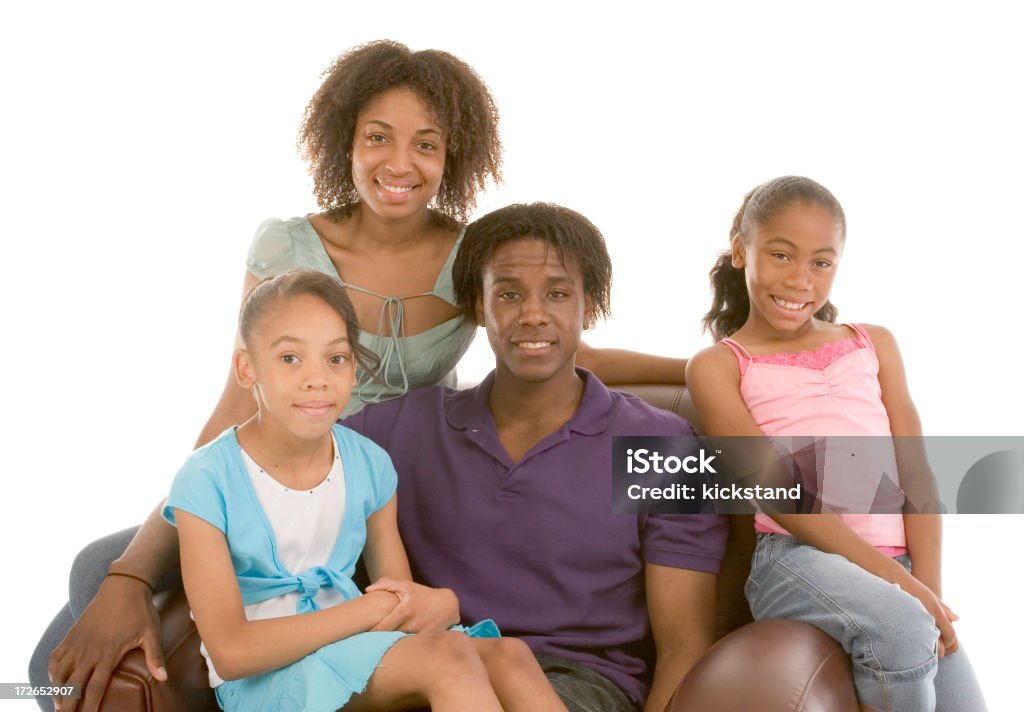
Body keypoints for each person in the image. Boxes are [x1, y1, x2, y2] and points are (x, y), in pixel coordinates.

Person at [31, 41, 686, 711]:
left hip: (383, 492)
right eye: (378, 138)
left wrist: (709, 371)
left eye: (425, 145)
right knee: (93, 577)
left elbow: (551, 342)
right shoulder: (289, 248)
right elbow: (239, 401)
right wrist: (155, 546)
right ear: (344, 141)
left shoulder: (469, 260)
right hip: (285, 482)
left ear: (451, 158)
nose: (399, 163)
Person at [343, 203, 729, 712]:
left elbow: (685, 646)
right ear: (477, 307)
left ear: (588, 306)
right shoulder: (404, 427)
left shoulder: (661, 446)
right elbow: (268, 455)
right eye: (507, 294)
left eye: (557, 293)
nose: (531, 314)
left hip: (577, 682)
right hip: (434, 666)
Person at [164, 269, 566, 711]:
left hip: (354, 645)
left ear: (354, 367)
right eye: (289, 359)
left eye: (335, 359)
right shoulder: (206, 478)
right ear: (246, 368)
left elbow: (399, 599)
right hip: (268, 674)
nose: (317, 379)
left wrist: (439, 604)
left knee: (510, 655)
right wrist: (366, 612)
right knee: (448, 659)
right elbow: (232, 652)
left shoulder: (368, 464)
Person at [684, 176, 987, 712]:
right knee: (899, 626)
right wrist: (903, 590)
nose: (800, 279)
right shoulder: (718, 366)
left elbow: (918, 475)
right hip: (796, 557)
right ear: (740, 250)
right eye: (781, 255)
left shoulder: (874, 342)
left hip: (904, 567)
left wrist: (929, 594)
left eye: (821, 262)